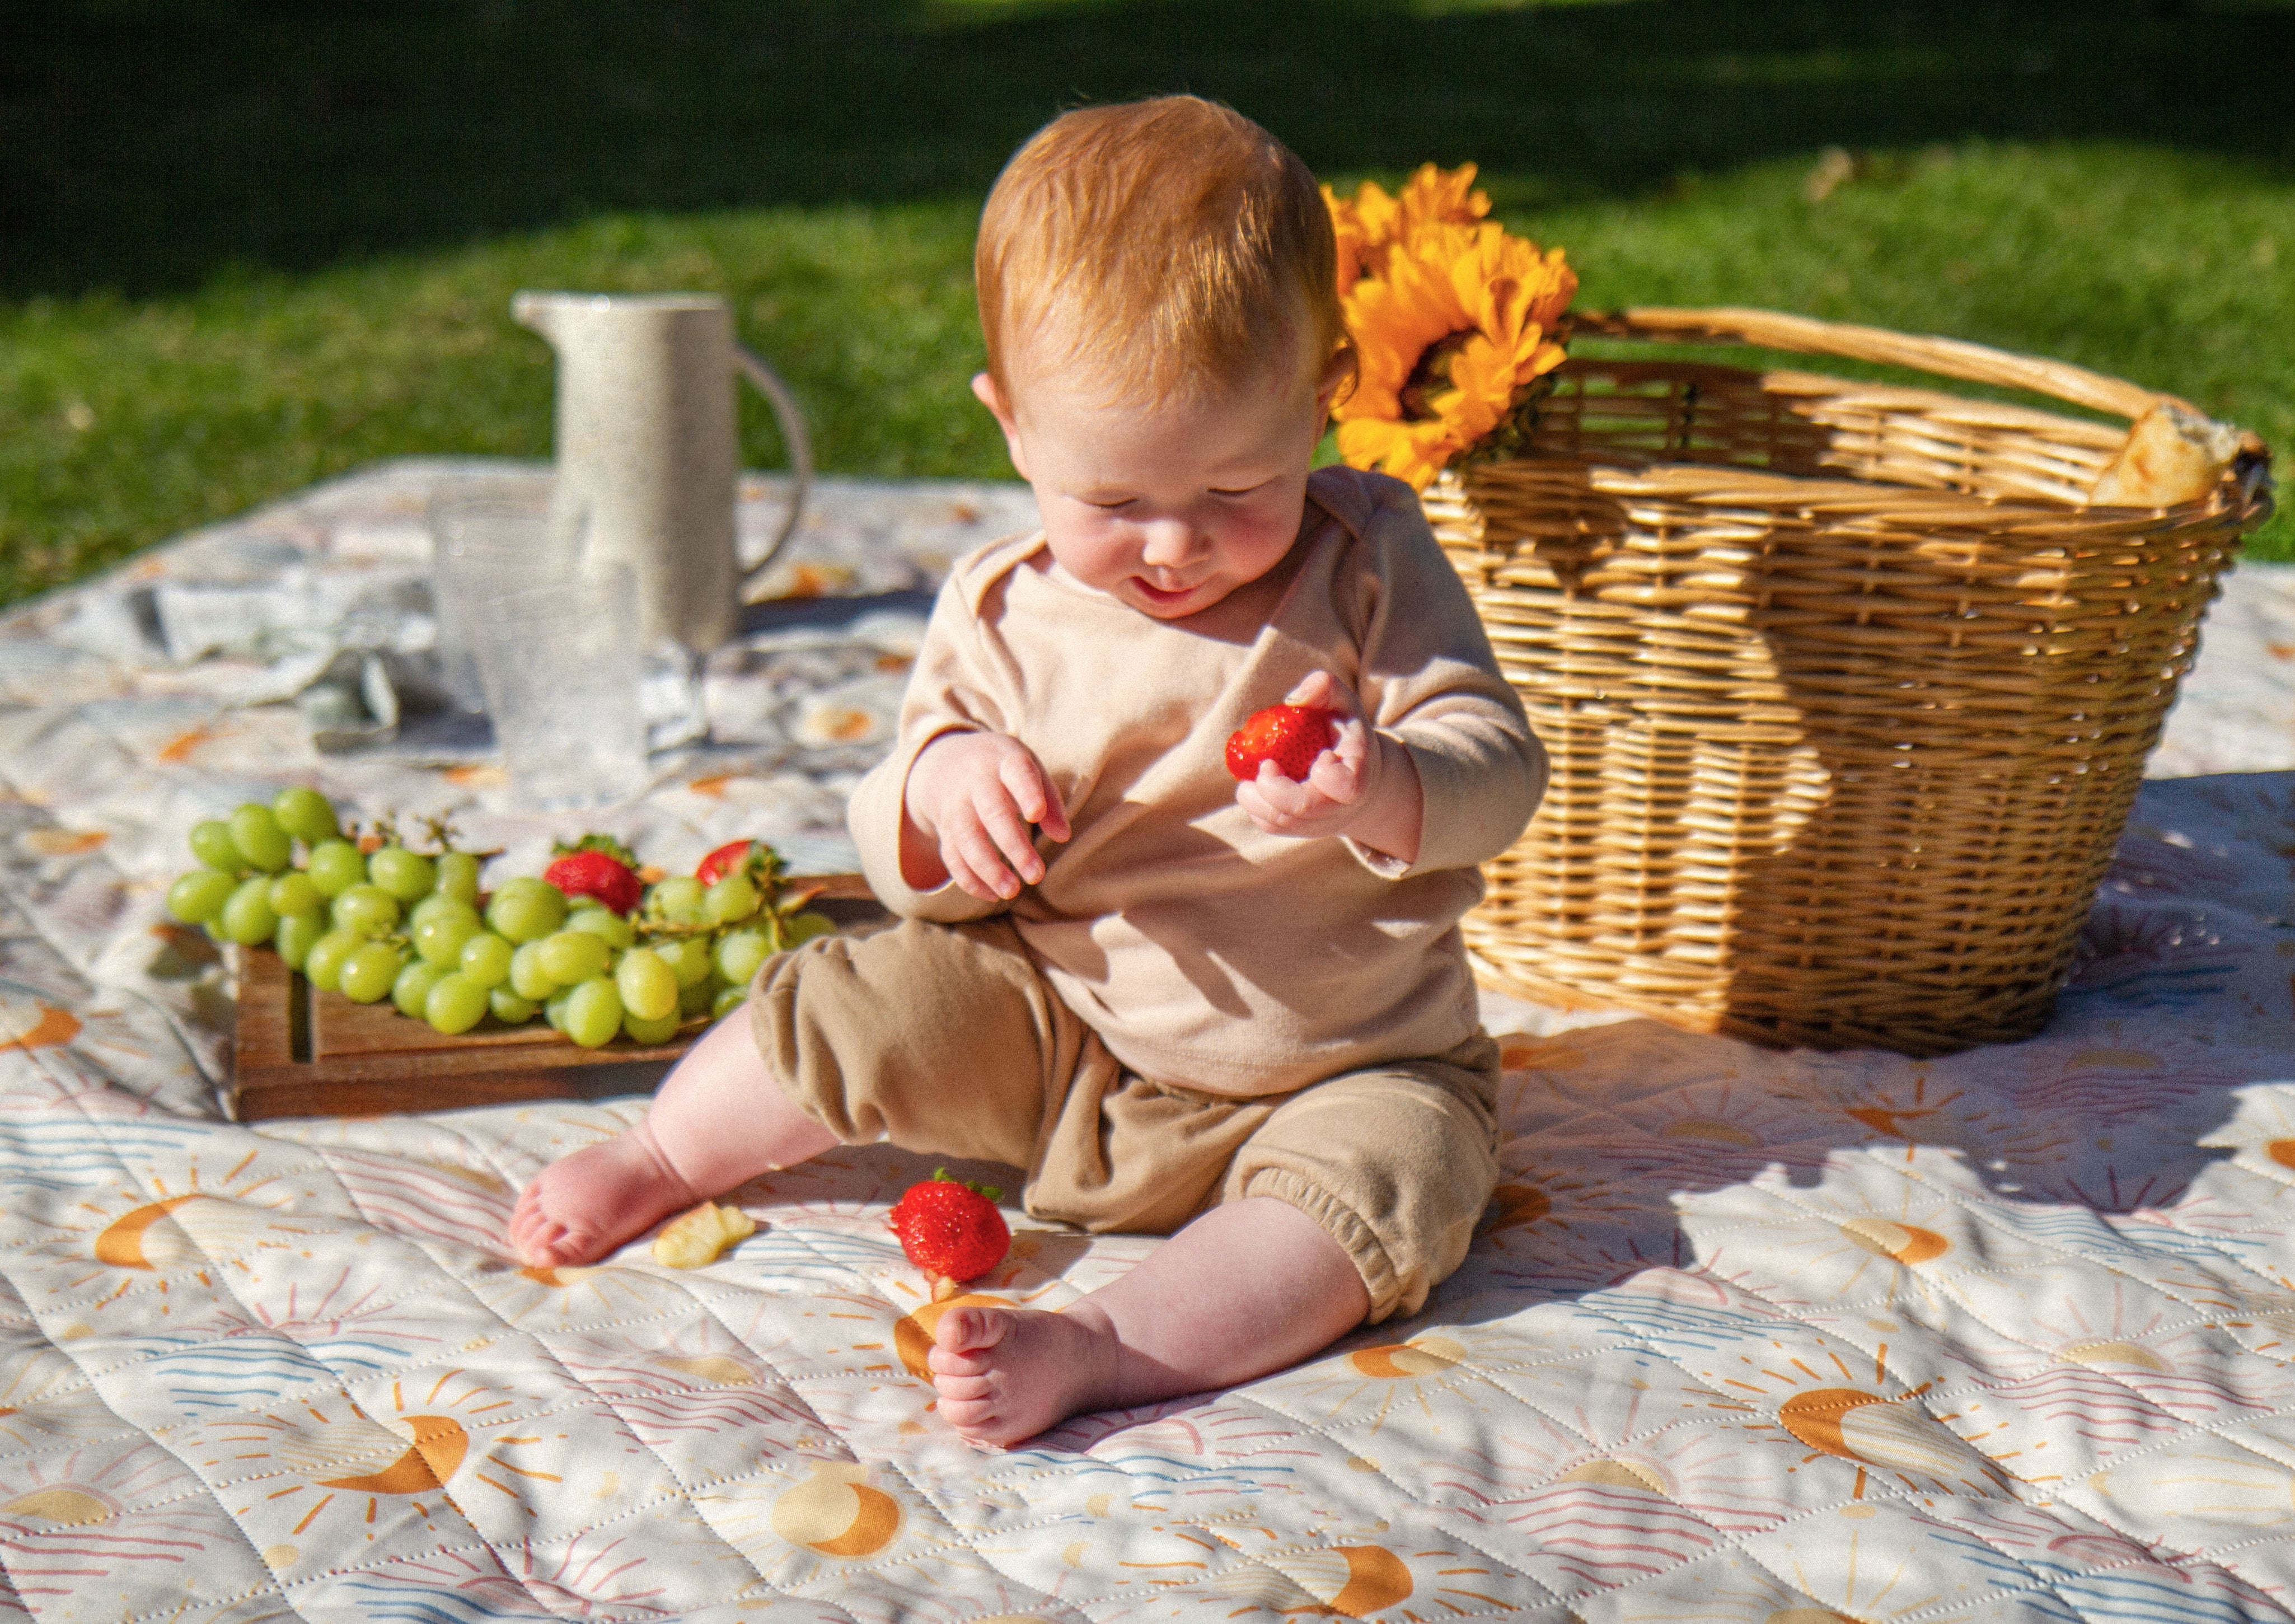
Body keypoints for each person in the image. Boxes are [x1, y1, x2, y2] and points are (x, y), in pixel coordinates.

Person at [509, 95, 1546, 1448]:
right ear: (1011, 427)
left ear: (1323, 393)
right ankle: (667, 1150)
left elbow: (1500, 767)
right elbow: (895, 845)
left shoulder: (1366, 563)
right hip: (1069, 1044)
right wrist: (946, 791)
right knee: (869, 991)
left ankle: (1111, 1341)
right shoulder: (1000, 609)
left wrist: (1383, 784)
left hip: (1348, 1061)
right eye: (1113, 501)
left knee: (1394, 1184)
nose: (1175, 542)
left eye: (1240, 483)